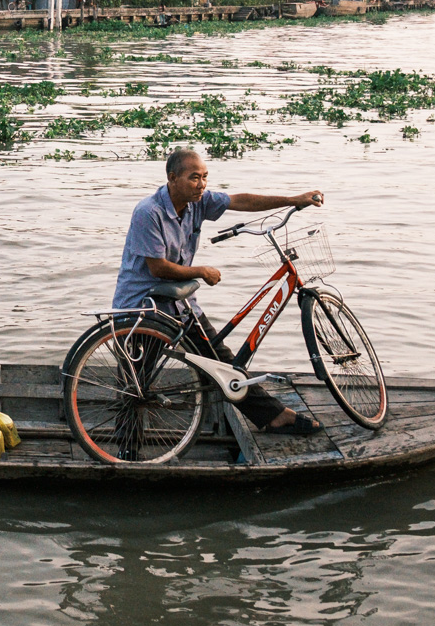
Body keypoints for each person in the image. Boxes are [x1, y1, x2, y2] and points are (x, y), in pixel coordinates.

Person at [114, 148, 326, 435]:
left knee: (222, 363)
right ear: (172, 178)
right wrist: (201, 270)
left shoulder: (197, 202)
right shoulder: (148, 212)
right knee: (135, 385)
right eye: (193, 178)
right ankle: (125, 448)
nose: (201, 184)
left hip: (181, 304)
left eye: (204, 177)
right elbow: (157, 268)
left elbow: (241, 201)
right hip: (143, 307)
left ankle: (273, 415)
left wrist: (294, 199)